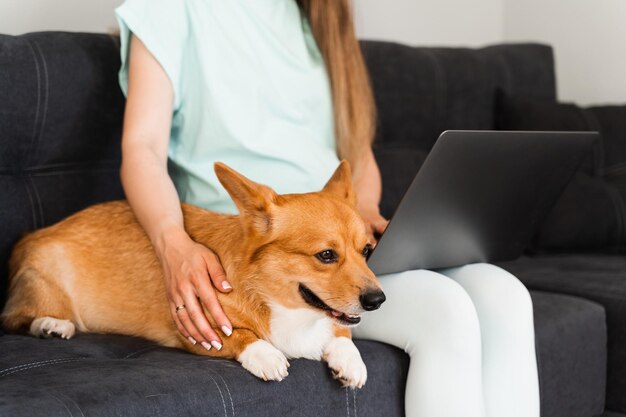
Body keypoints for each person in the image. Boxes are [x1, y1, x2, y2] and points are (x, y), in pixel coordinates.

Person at [114, 1, 539, 416]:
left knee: (505, 294)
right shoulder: (169, 8)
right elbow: (142, 148)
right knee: (445, 310)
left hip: (347, 238)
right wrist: (172, 242)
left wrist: (367, 210)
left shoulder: (321, 16)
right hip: (256, 253)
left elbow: (358, 156)